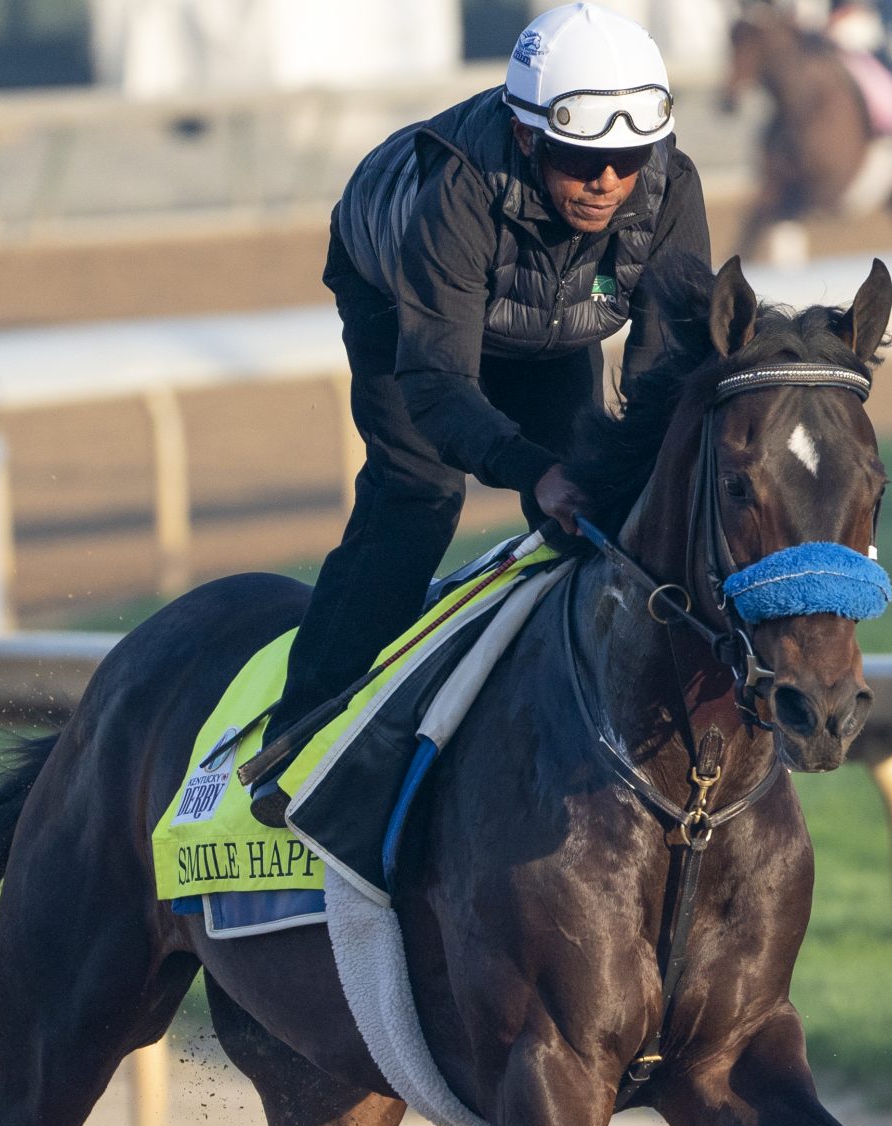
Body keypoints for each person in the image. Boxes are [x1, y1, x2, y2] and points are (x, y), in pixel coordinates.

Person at [248, 1, 710, 822]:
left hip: (551, 314)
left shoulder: (671, 189)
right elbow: (436, 384)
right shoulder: (456, 192)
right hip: (404, 298)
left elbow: (666, 374)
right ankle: (303, 739)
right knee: (419, 496)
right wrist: (535, 469)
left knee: (599, 504)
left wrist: (611, 474)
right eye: (581, 159)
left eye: (629, 156)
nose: (607, 181)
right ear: (529, 137)